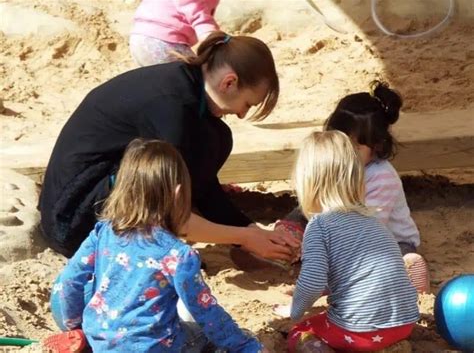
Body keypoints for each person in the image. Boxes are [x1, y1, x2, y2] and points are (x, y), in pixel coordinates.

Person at [39, 31, 299, 261]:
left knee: (217, 137)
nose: (243, 115)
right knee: (174, 174)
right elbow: (169, 210)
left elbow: (204, 186)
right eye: (248, 104)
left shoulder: (189, 89)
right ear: (229, 82)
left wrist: (252, 230)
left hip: (99, 188)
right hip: (73, 220)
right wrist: (243, 238)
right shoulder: (171, 105)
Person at [44, 139, 267, 352]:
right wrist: (244, 344)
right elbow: (205, 310)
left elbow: (70, 280)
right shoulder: (177, 255)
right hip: (153, 347)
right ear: (178, 195)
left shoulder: (104, 231)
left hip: (102, 339)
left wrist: (75, 327)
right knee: (204, 335)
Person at [273, 81, 430, 293]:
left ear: (377, 146)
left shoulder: (381, 177)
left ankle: (405, 274)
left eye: (354, 147)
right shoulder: (337, 164)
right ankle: (278, 251)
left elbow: (366, 232)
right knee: (300, 214)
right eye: (339, 145)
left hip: (383, 240)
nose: (344, 154)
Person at [284, 130, 419, 352]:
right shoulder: (374, 221)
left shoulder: (319, 226)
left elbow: (312, 281)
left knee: (301, 331)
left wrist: (295, 310)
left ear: (307, 183)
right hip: (404, 324)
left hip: (359, 331)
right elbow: (355, 273)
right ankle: (390, 347)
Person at [130, 0, 220, 66]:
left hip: (140, 37)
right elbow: (193, 8)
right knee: (196, 78)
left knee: (164, 85)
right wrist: (210, 34)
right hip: (162, 41)